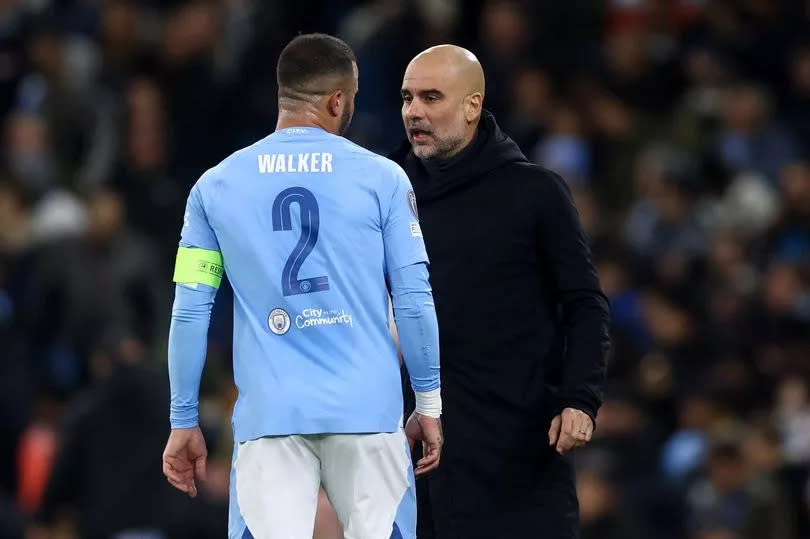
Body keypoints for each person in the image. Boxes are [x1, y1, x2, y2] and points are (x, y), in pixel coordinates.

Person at [161, 34, 443, 539]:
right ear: (339, 100)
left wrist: (184, 418)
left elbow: (189, 311)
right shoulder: (384, 180)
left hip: (270, 418)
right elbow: (415, 300)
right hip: (369, 415)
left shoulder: (214, 187)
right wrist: (427, 404)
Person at [391, 45, 611, 539]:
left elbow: (584, 303)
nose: (414, 112)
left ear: (473, 106)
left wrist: (580, 398)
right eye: (407, 98)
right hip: (413, 461)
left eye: (431, 97)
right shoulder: (385, 193)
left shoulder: (534, 193)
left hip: (520, 458)